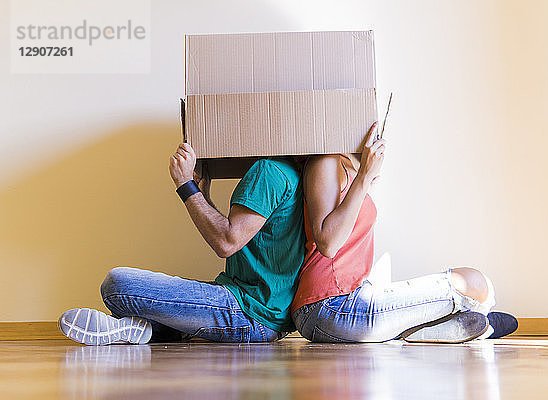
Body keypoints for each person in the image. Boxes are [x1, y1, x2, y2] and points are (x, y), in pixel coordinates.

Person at [58, 143, 305, 345]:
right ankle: (130, 329)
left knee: (117, 283)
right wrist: (203, 196)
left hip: (248, 311)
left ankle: (147, 326)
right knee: (153, 297)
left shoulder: (269, 170)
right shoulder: (290, 172)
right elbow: (235, 234)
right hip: (265, 315)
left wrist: (185, 185)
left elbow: (226, 242)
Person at [291, 122, 517, 343]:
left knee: (478, 286)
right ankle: (471, 323)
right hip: (327, 307)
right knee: (474, 283)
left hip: (352, 298)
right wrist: (364, 177)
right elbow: (328, 244)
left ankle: (427, 331)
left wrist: (364, 176)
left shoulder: (347, 165)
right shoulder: (324, 160)